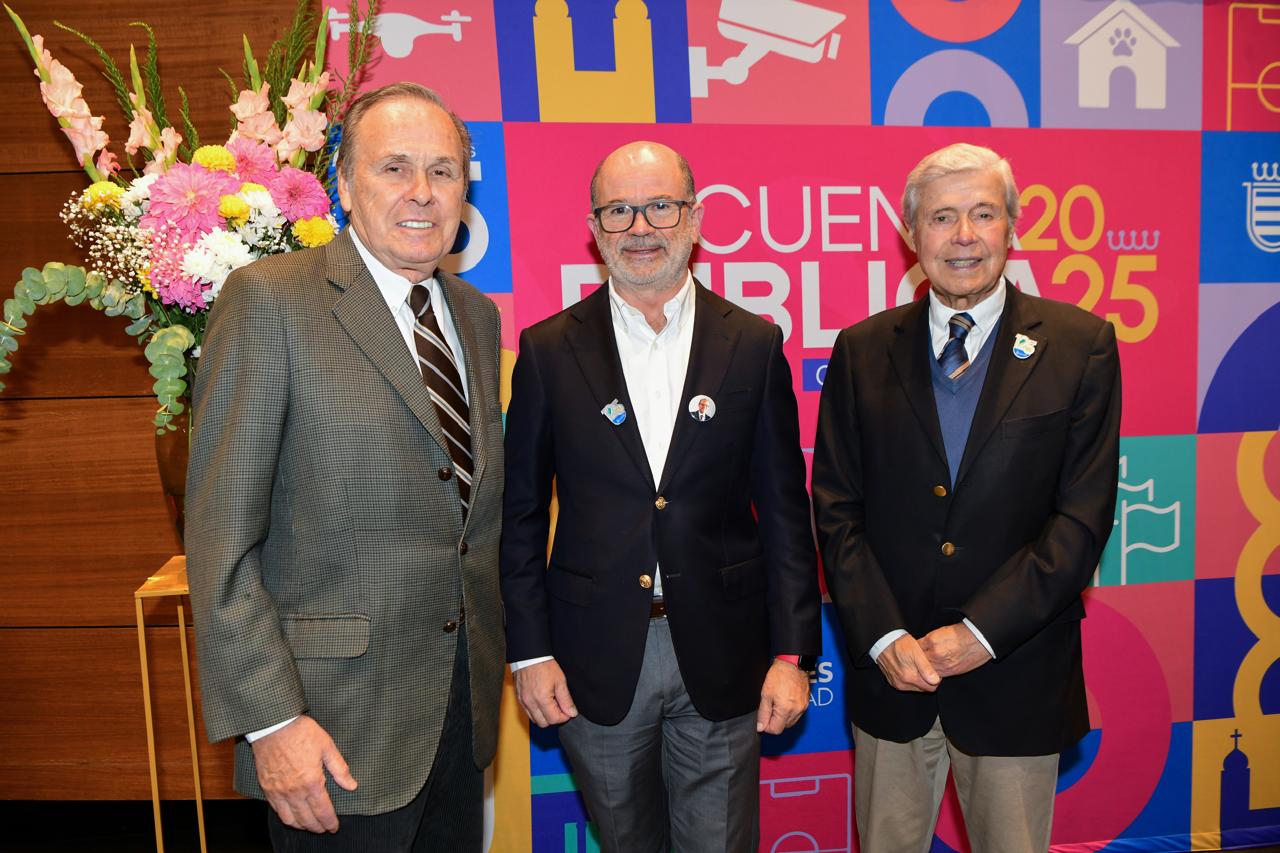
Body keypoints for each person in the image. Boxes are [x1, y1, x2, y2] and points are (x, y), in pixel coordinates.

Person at [186, 82, 505, 851]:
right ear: (345, 185)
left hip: (460, 719)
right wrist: (271, 720)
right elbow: (221, 539)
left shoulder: (476, 316)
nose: (423, 191)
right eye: (394, 167)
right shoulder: (269, 301)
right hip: (330, 729)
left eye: (443, 170)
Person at [500, 140, 822, 852]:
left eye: (660, 207)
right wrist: (529, 653)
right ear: (594, 227)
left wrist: (793, 653)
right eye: (618, 210)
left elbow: (785, 515)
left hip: (726, 650)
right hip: (593, 657)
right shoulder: (547, 351)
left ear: (695, 218)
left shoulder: (754, 343)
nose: (640, 227)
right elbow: (517, 517)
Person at [812, 143, 1121, 853]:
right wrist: (885, 636)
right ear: (911, 234)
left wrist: (980, 633)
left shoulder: (1081, 345)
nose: (963, 236)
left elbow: (1081, 519)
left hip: (1015, 672)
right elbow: (835, 510)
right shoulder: (860, 350)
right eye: (942, 217)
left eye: (983, 214)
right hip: (893, 675)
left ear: (1012, 226)